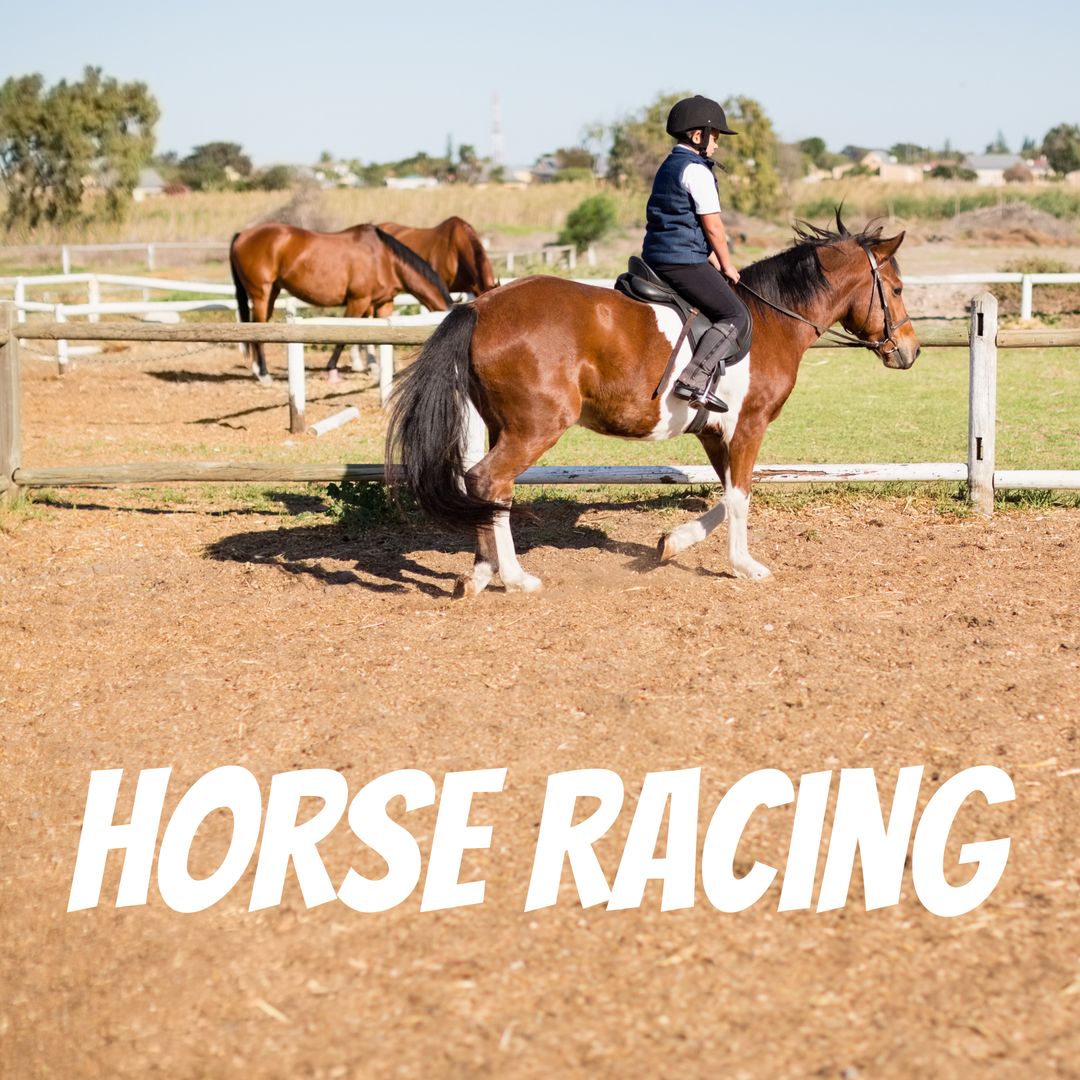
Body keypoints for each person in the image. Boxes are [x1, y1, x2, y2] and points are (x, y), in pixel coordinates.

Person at [642, 95, 752, 412]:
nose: (716, 144)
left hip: (657, 255)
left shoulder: (669, 165)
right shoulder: (697, 170)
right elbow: (713, 227)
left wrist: (713, 260)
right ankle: (693, 379)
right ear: (697, 135)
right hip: (682, 261)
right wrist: (728, 266)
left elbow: (679, 220)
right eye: (715, 135)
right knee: (735, 315)